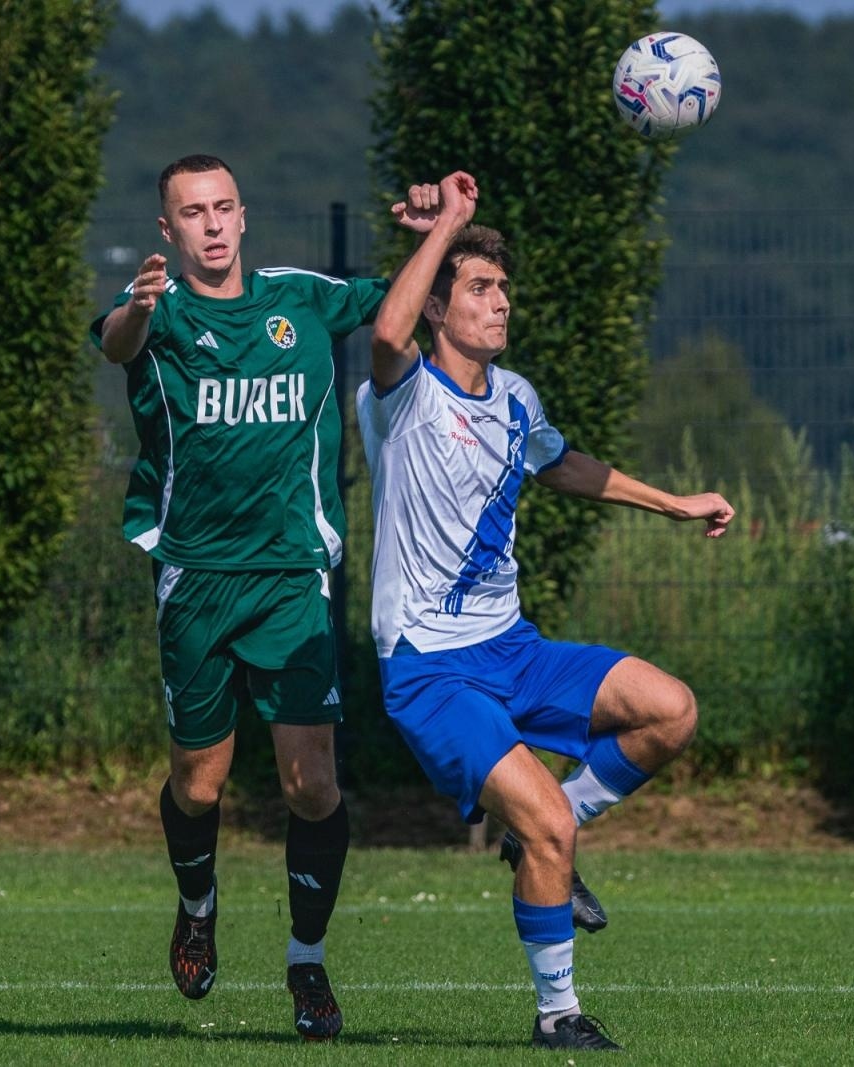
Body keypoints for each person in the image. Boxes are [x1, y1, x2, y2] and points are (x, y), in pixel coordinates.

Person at [357, 171, 734, 1051]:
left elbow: (563, 466)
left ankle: (545, 828)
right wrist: (446, 226)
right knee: (549, 829)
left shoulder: (516, 398)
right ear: (440, 305)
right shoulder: (402, 394)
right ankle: (557, 1014)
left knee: (671, 710)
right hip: (431, 667)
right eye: (479, 288)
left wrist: (673, 503)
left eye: (503, 288)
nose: (500, 303)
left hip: (513, 648)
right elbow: (384, 332)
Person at [91, 154, 422, 1041]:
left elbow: (400, 303)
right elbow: (115, 341)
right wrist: (139, 306)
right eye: (193, 212)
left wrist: (439, 234)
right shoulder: (157, 310)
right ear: (168, 229)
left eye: (223, 207)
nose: (211, 224)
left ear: (242, 217)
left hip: (290, 577)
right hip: (195, 578)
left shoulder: (300, 299)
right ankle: (197, 905)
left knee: (312, 784)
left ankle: (307, 963)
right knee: (199, 784)